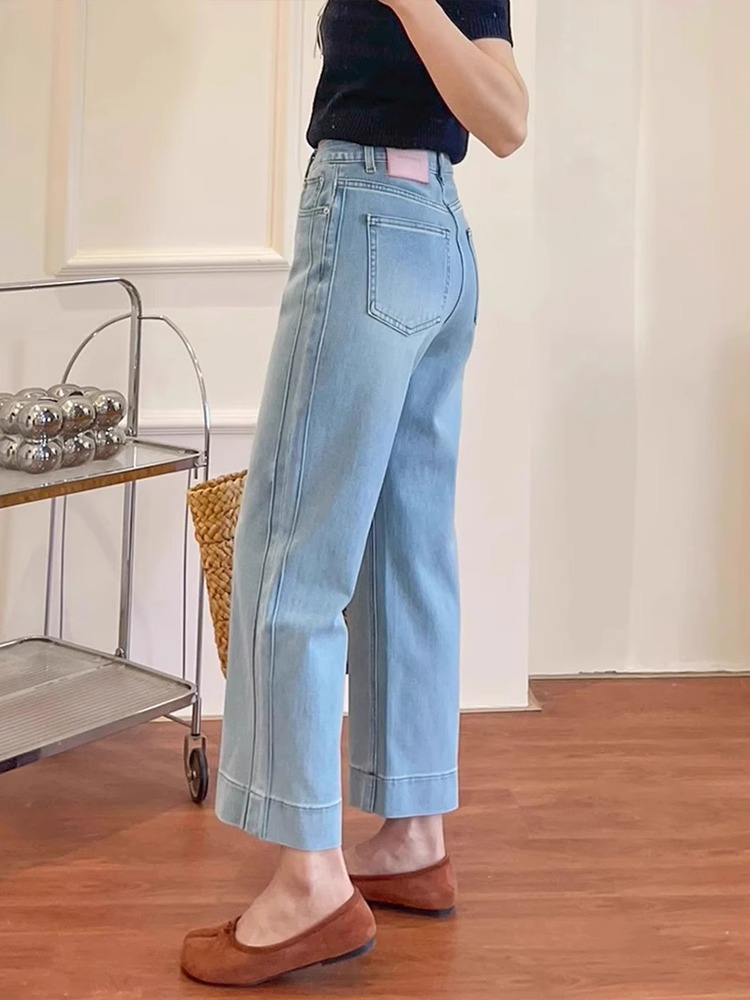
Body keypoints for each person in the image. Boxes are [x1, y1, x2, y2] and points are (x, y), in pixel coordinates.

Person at [181, 0, 528, 987]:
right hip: (440, 240)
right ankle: (413, 834)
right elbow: (500, 108)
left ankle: (308, 884)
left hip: (368, 212)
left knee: (289, 553)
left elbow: (508, 119)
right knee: (404, 552)